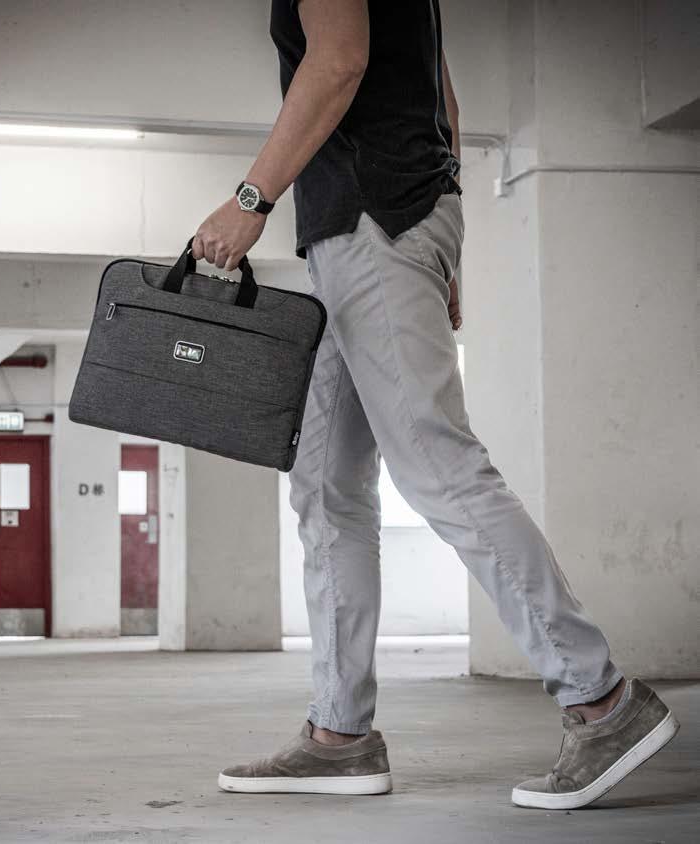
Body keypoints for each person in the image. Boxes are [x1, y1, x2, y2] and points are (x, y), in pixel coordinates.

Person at [188, 0, 679, 809]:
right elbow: (439, 96)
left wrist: (250, 197)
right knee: (325, 484)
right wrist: (443, 238)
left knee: (437, 466)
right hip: (372, 224)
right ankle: (339, 736)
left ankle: (601, 701)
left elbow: (339, 59)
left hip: (371, 217)